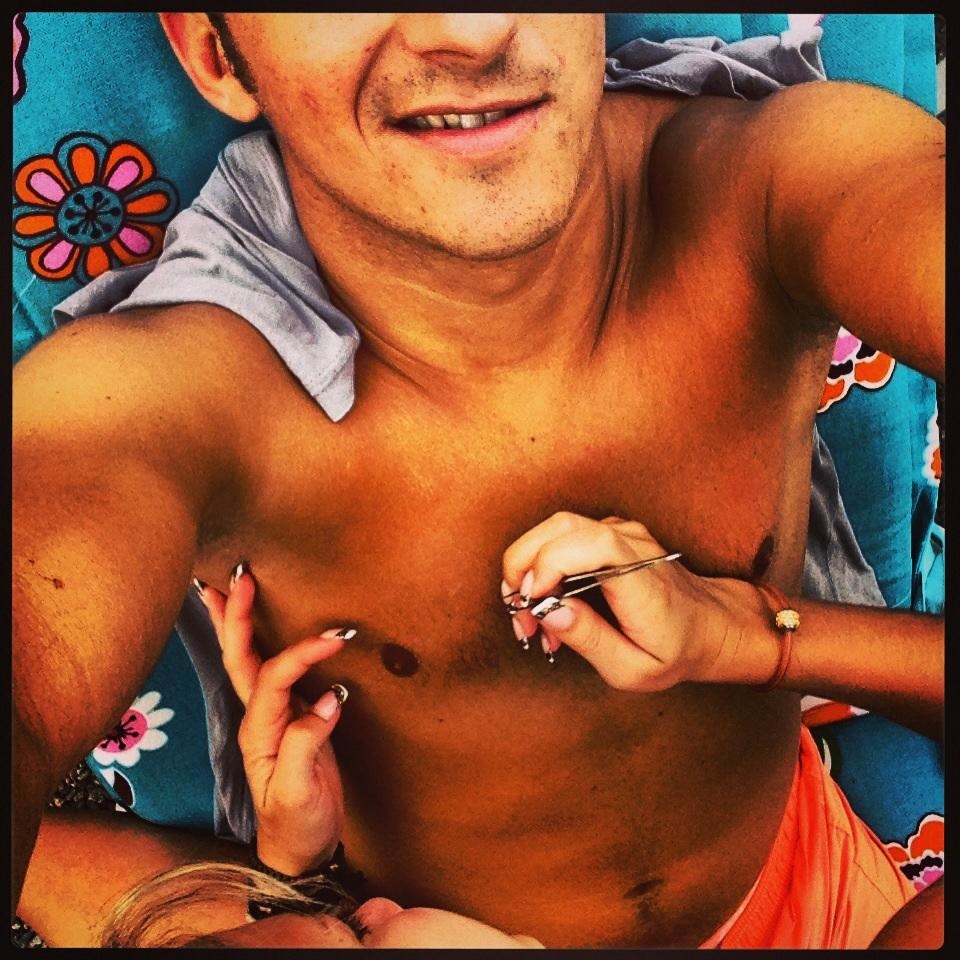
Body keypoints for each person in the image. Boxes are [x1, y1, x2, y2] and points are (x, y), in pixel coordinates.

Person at [13, 13, 943, 948]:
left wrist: (765, 638)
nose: (472, 31)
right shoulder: (167, 395)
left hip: (816, 886)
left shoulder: (776, 183)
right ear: (219, 53)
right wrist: (287, 889)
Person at [16, 555, 941, 947]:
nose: (374, 907)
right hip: (772, 802)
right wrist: (756, 638)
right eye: (363, 936)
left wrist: (294, 868)